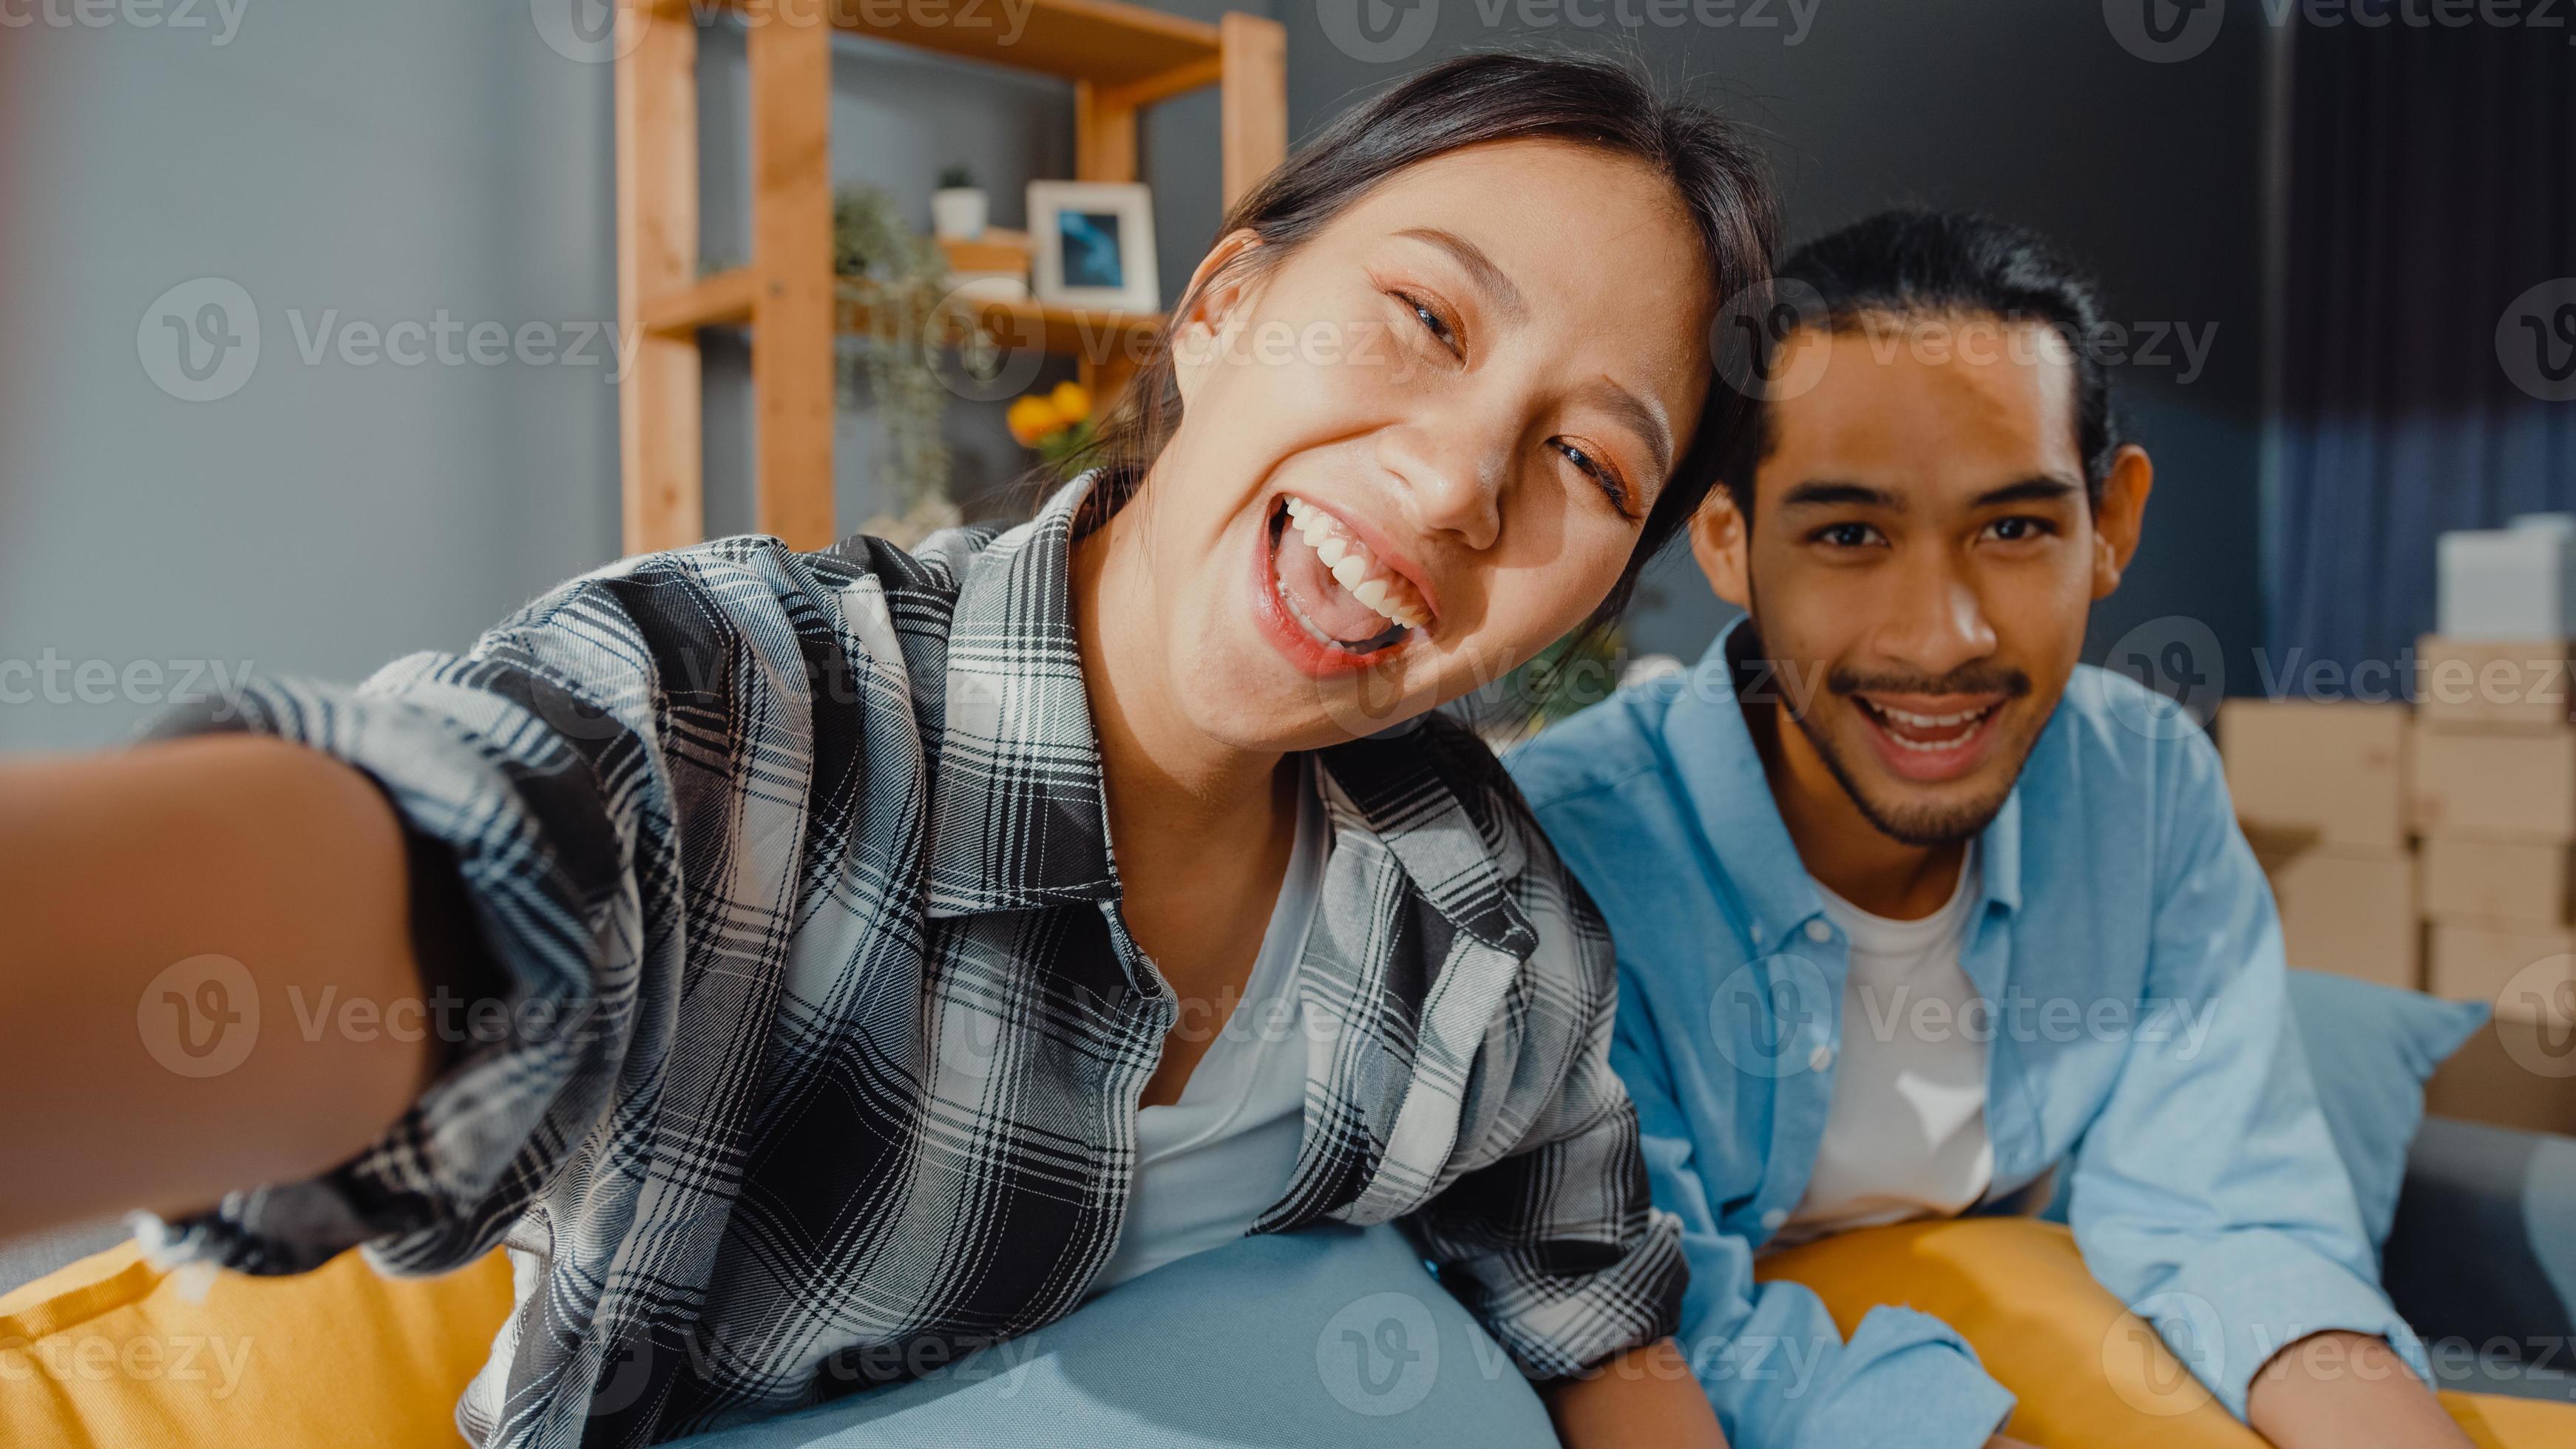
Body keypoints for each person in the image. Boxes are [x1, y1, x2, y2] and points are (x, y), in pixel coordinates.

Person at [0, 54, 1775, 1448]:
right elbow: (454, 859)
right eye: (1429, 319)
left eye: (1589, 466)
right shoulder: (736, 715)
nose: (1464, 476)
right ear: (1222, 300)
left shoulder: (1487, 907)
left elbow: (1593, 1308)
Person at [1507, 209, 2568, 1447]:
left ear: (2110, 524)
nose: (1942, 635)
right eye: (1849, 535)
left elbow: (2227, 1218)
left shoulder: (2144, 778)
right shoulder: (1572, 850)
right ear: (1731, 542)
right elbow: (1640, 1319)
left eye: (2014, 529)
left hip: (2040, 1299)